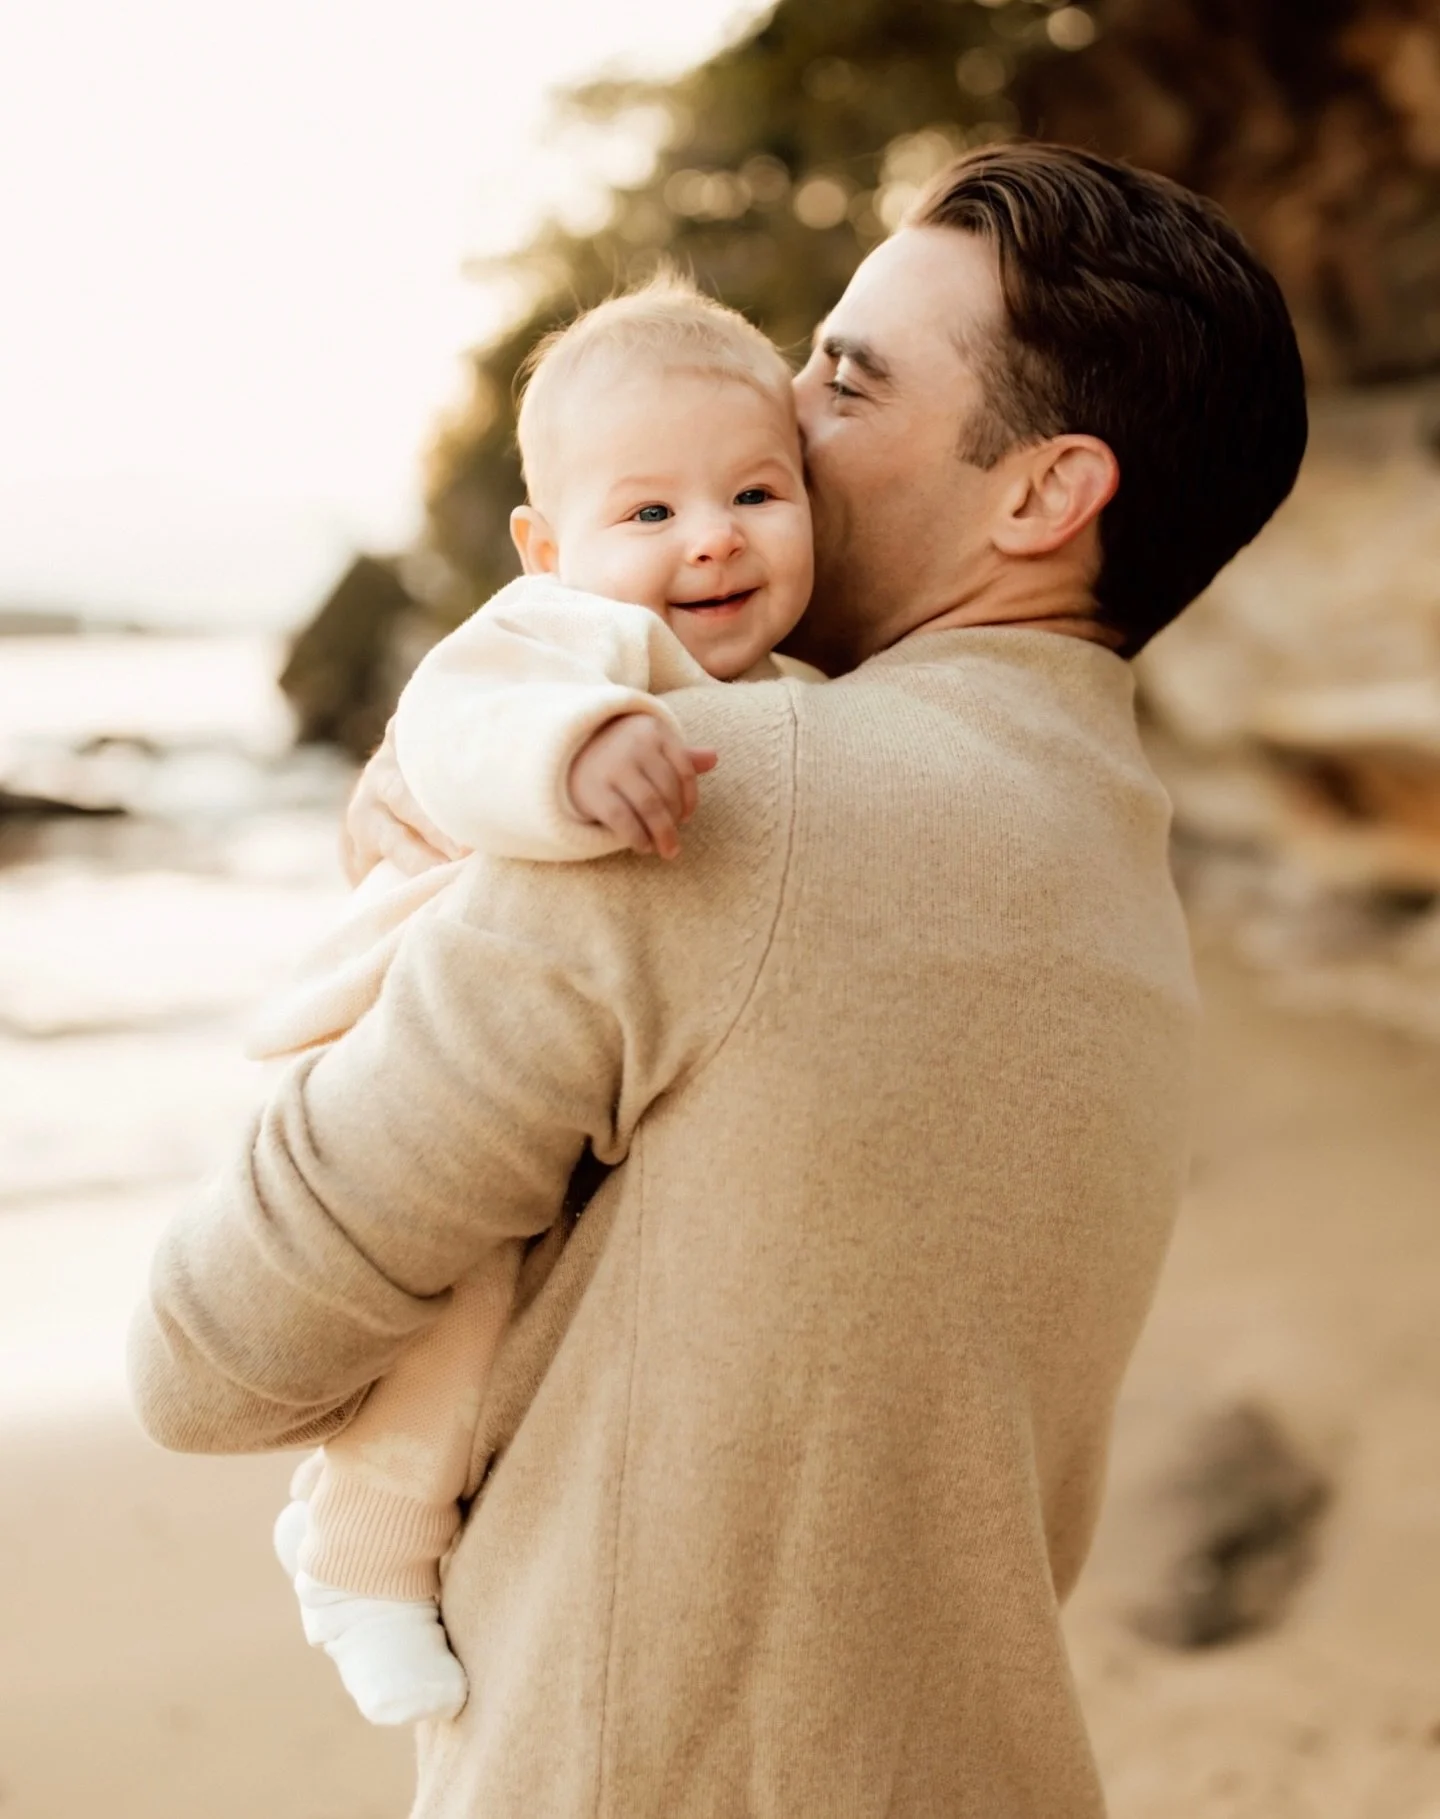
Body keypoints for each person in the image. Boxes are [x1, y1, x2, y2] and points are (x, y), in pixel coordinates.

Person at [130, 143, 1307, 1816]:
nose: (777, 409)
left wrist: (438, 873)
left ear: (1044, 495)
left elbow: (211, 1348)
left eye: (845, 377)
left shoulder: (710, 795)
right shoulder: (1124, 888)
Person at [254, 277, 821, 1726]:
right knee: (465, 1294)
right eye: (650, 514)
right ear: (546, 545)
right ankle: (361, 1547)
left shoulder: (804, 683)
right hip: (407, 1025)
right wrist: (572, 756)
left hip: (559, 1051)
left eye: (757, 490)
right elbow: (453, 725)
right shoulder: (566, 641)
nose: (711, 535)